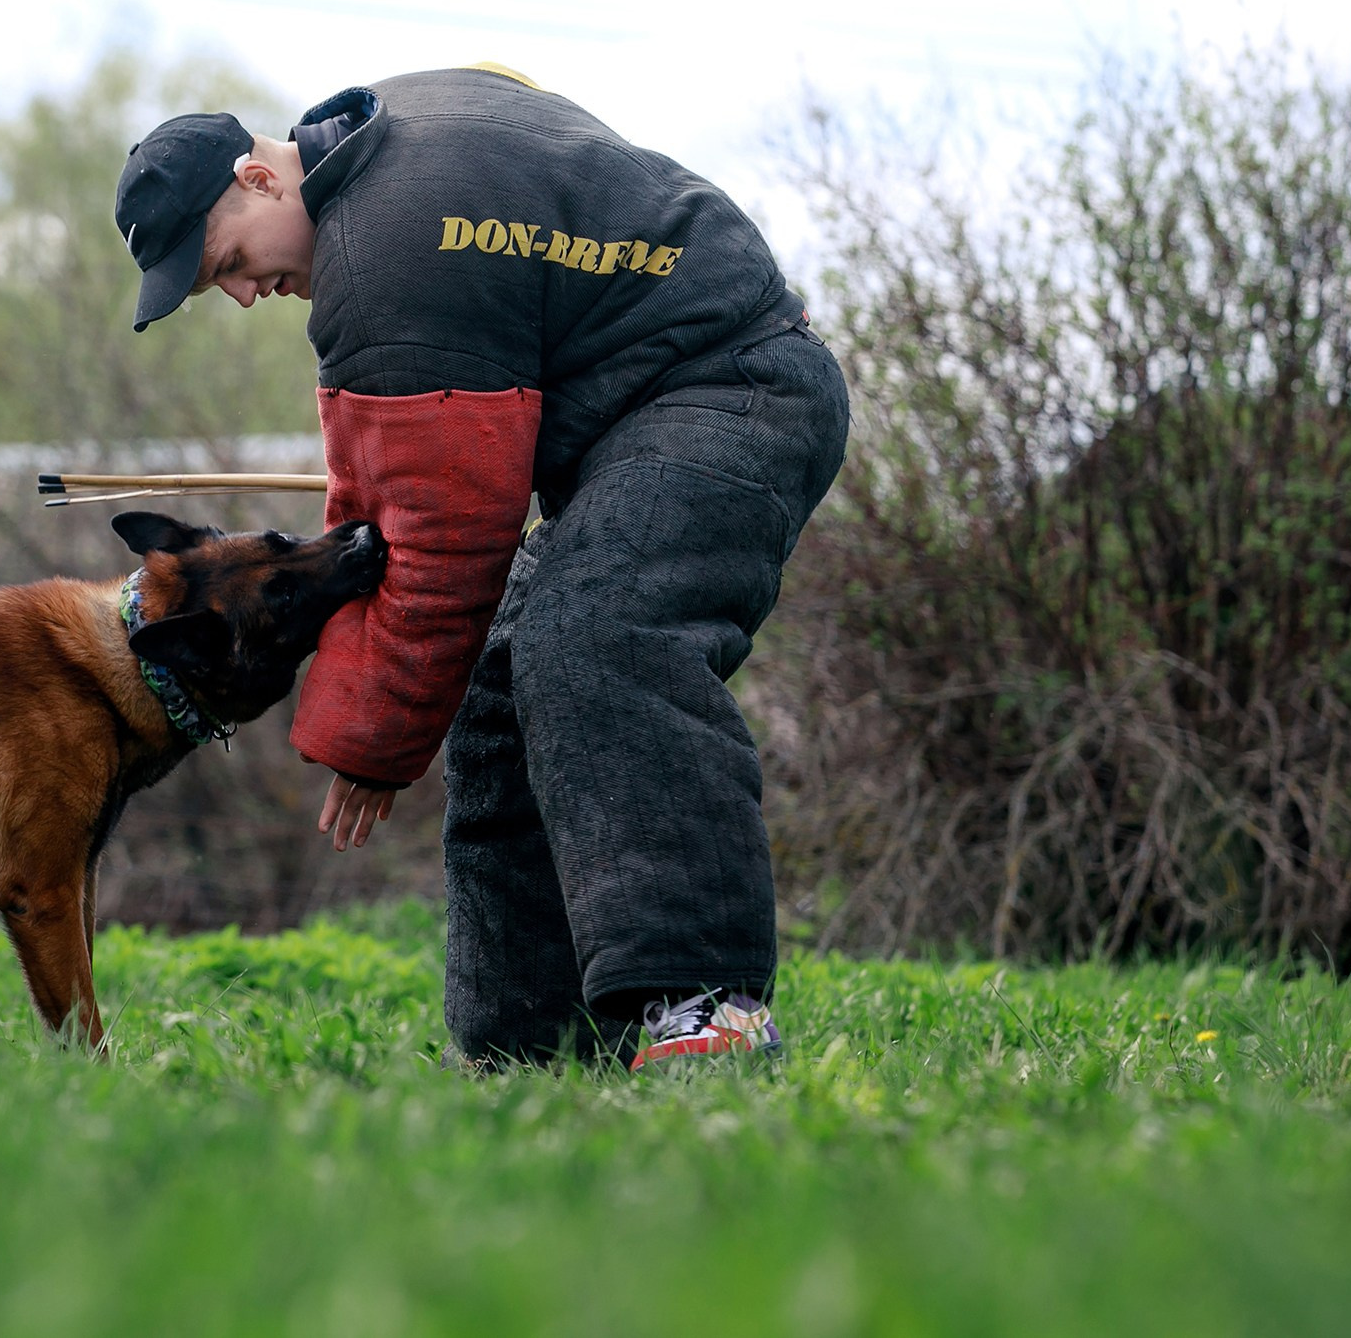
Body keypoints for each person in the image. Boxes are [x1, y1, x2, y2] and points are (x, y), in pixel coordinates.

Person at [112, 65, 848, 1068]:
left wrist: (367, 734)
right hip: (653, 409)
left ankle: (707, 1007)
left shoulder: (382, 250)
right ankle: (527, 1055)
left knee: (599, 635)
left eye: (227, 261)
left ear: (258, 177)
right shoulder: (398, 122)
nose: (244, 297)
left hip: (735, 386)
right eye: (218, 289)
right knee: (501, 688)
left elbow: (440, 538)